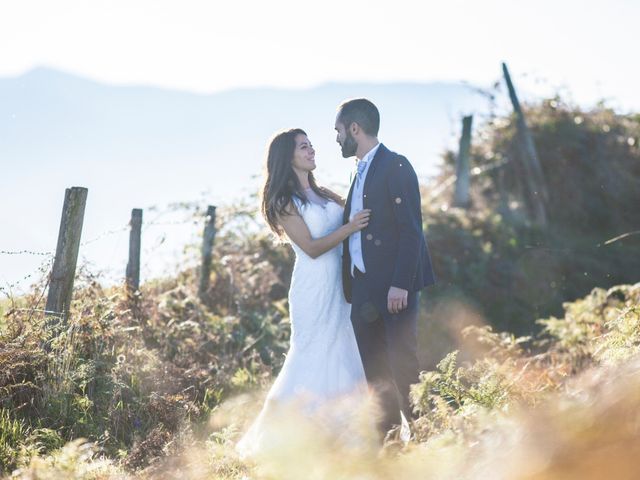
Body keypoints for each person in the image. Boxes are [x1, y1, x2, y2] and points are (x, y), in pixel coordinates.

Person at [236, 128, 370, 457]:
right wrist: (350, 227)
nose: (311, 150)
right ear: (288, 156)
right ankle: (291, 435)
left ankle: (347, 433)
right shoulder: (284, 201)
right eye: (303, 147)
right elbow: (310, 247)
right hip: (313, 286)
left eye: (310, 145)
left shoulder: (323, 193)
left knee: (343, 345)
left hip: (340, 283)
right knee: (313, 352)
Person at [336, 98, 436, 439]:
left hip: (394, 288)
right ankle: (390, 442)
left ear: (354, 129)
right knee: (375, 371)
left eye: (338, 131)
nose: (336, 139)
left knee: (403, 364)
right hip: (363, 290)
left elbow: (411, 229)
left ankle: (427, 435)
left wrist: (401, 284)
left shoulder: (396, 165)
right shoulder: (358, 171)